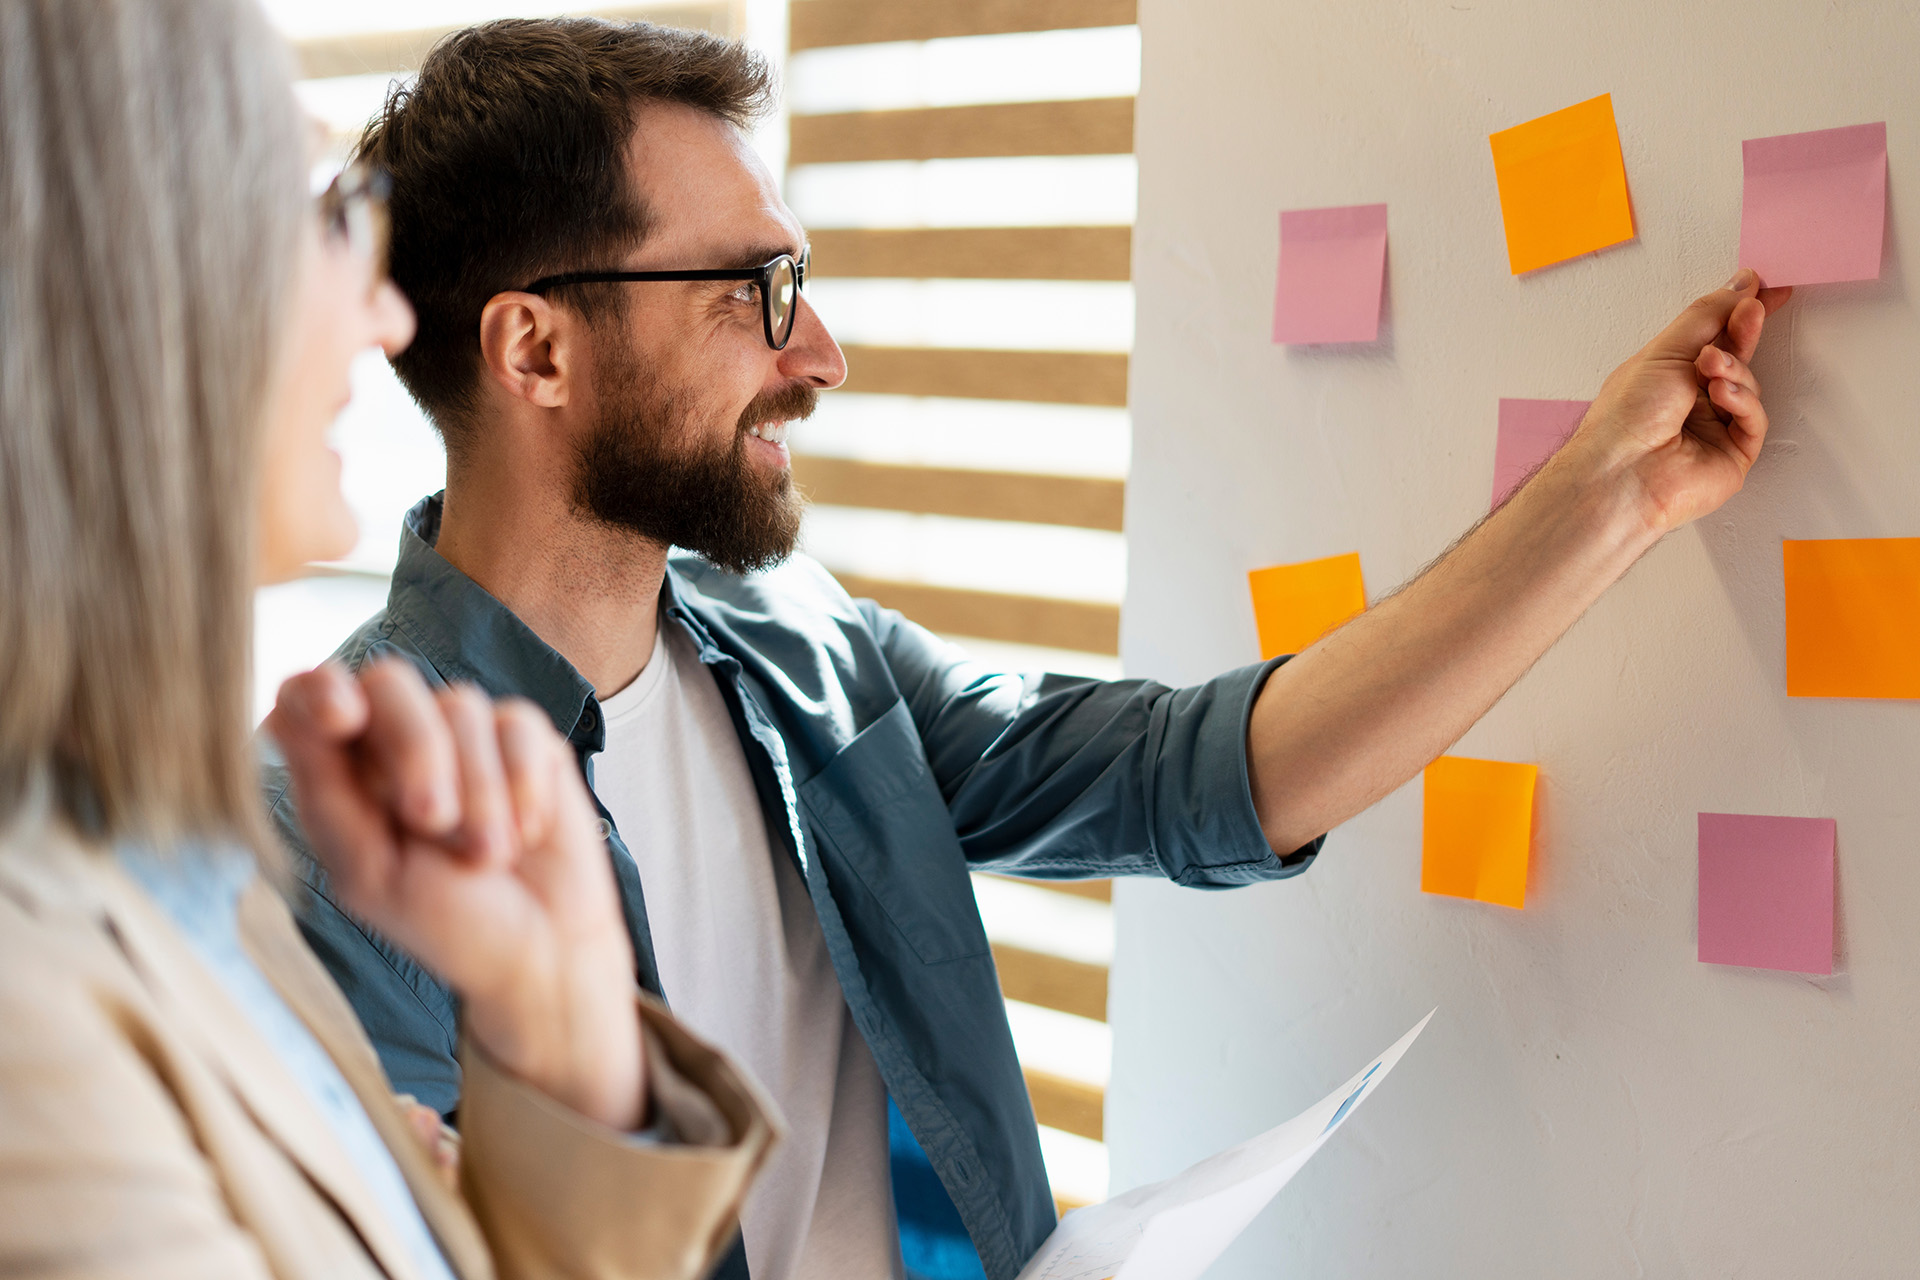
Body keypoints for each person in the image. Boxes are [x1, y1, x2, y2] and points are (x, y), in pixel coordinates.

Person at [261, 16, 1791, 1280]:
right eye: (754, 291)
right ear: (535, 349)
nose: (821, 355)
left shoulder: (811, 655)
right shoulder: (328, 828)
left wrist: (1621, 492)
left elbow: (1210, 775)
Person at [0, 2, 777, 1277]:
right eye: (319, 214)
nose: (386, 314)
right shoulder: (31, 1023)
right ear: (117, 289)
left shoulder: (176, 880)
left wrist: (559, 1037)